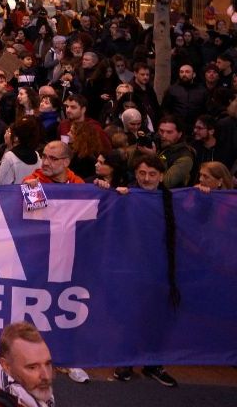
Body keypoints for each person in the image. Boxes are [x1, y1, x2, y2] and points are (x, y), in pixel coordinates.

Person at [112, 154, 180, 388]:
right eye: (142, 173)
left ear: (161, 176)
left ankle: (154, 364)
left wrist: (204, 195)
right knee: (130, 315)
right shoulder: (125, 195)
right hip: (131, 268)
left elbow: (199, 220)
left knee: (158, 318)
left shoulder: (173, 199)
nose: (147, 179)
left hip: (162, 269)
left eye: (152, 174)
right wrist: (112, 194)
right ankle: (127, 361)